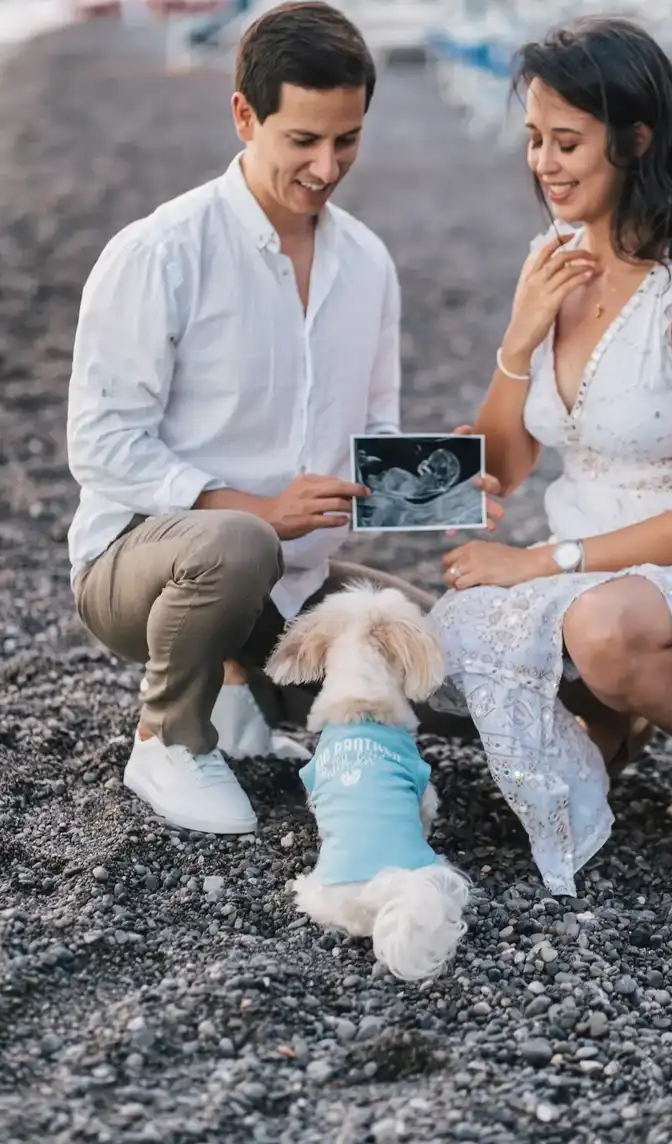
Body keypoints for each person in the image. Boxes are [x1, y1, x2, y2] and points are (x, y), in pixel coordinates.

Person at [66, 1, 487, 837]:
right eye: (303, 141)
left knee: (451, 677)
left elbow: (365, 442)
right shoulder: (161, 252)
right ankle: (167, 739)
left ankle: (241, 711)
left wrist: (446, 486)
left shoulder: (366, 262)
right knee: (241, 543)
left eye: (348, 140)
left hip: (284, 585)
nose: (328, 166)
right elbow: (101, 444)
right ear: (244, 115)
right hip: (144, 573)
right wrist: (257, 511)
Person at [430, 17, 672, 896]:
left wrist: (539, 561)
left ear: (635, 138)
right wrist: (519, 338)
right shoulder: (553, 261)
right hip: (591, 551)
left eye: (568, 141)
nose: (545, 162)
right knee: (456, 642)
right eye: (536, 139)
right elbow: (499, 467)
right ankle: (614, 723)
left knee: (599, 632)